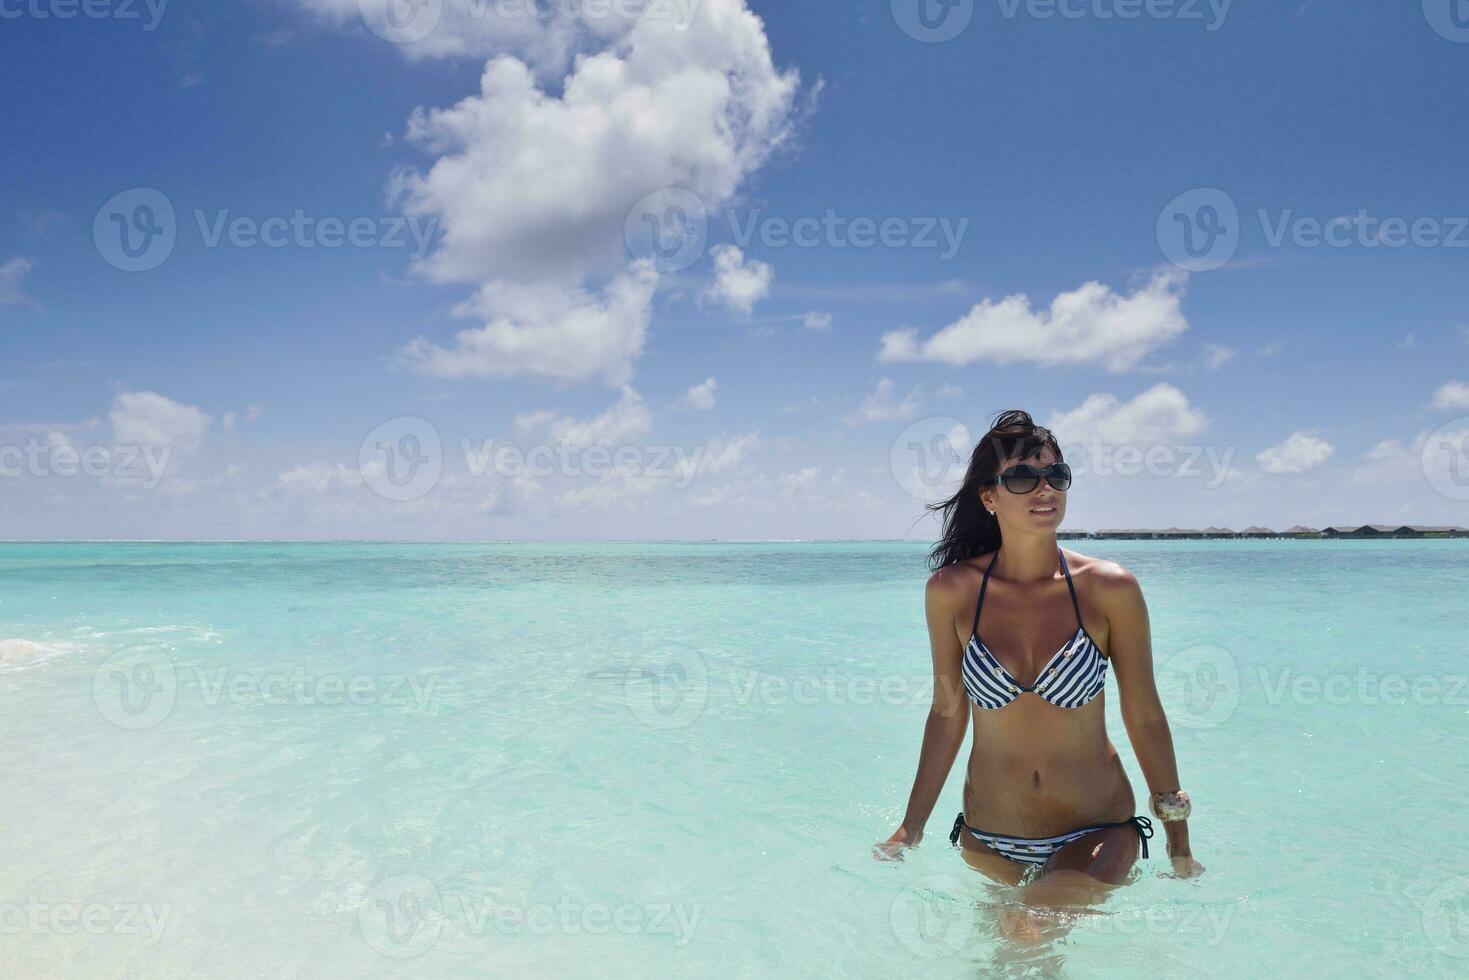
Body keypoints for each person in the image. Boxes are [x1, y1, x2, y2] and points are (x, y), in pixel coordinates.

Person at [877, 410, 1204, 937]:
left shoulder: (1108, 588)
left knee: (1025, 931)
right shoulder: (952, 592)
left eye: (1056, 474)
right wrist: (909, 828)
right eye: (1023, 477)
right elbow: (946, 712)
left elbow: (1143, 713)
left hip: (1097, 831)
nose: (1044, 488)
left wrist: (1178, 841)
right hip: (988, 839)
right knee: (1011, 960)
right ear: (990, 497)